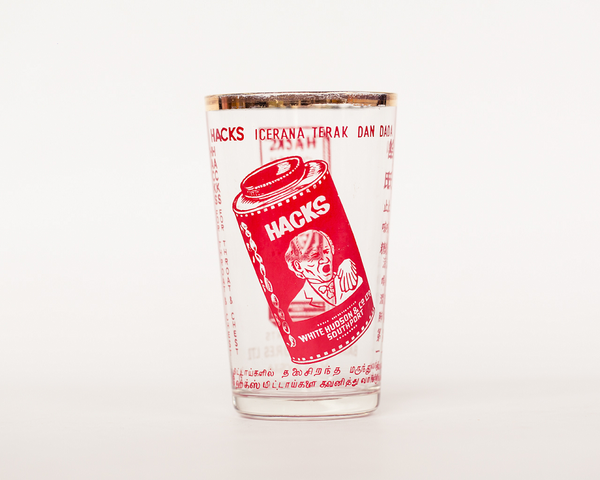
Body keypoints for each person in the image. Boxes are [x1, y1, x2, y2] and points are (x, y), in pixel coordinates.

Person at [285, 230, 362, 322]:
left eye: (326, 251)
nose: (325, 260)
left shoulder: (352, 279)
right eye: (315, 255)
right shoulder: (297, 307)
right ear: (298, 266)